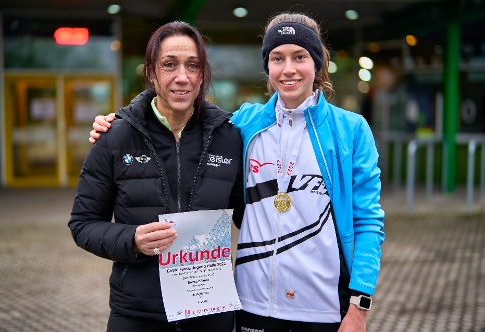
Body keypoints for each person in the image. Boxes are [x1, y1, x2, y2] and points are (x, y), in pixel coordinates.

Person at [90, 12, 385, 332]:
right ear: (268, 67)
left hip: (323, 309)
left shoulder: (351, 130)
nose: (288, 69)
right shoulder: (243, 125)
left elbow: (368, 221)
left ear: (317, 63)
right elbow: (182, 115)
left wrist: (359, 305)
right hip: (253, 305)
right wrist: (122, 121)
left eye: (299, 57)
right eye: (277, 58)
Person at [69, 21, 244, 332]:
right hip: (138, 313)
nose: (182, 77)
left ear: (202, 73)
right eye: (169, 65)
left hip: (209, 312)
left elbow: (252, 218)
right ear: (151, 72)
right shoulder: (114, 137)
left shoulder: (229, 137)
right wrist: (131, 239)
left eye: (193, 65)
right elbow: (82, 224)